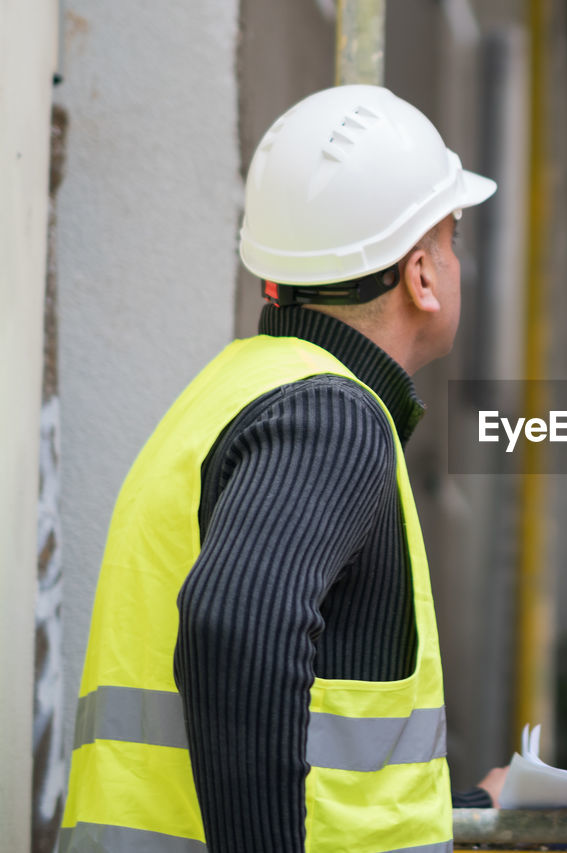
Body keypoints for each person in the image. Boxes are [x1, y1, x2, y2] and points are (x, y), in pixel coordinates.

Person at [60, 85, 497, 852]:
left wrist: (445, 808)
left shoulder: (236, 390)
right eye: (452, 237)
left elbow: (313, 744)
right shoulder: (329, 419)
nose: (458, 262)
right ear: (421, 277)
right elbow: (236, 624)